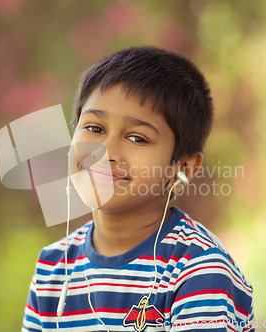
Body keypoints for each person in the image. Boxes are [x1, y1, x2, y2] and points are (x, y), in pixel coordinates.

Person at [22, 46, 254, 331]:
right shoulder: (53, 267)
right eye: (94, 129)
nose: (105, 152)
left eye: (137, 138)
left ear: (181, 168)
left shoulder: (198, 269)